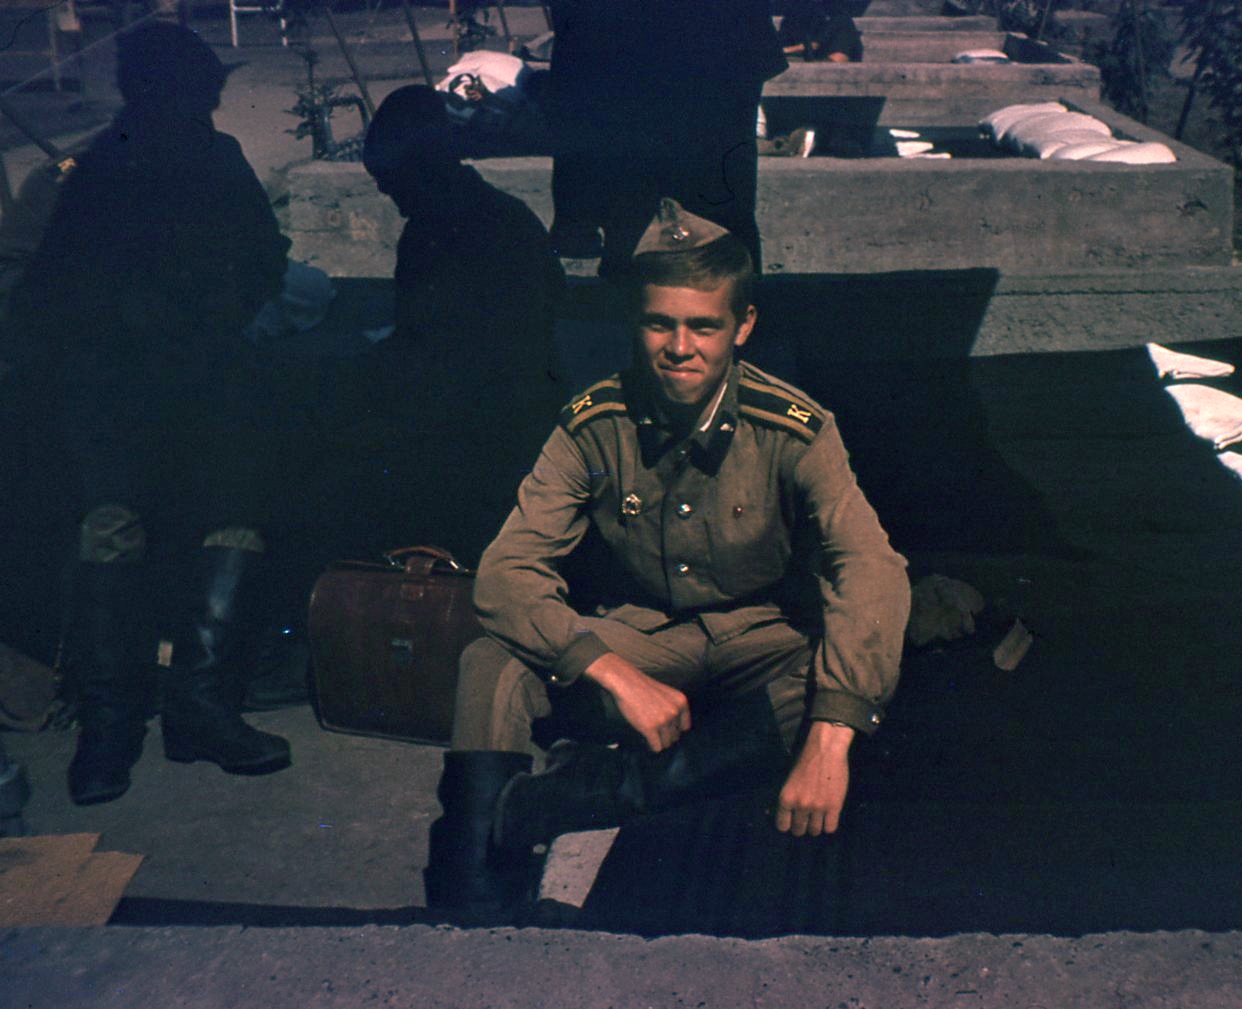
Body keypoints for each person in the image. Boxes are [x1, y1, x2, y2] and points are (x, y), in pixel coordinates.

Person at [425, 199, 911, 916]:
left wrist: (830, 742)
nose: (679, 347)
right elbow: (506, 573)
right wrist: (613, 672)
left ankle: (573, 798)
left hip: (760, 640)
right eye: (660, 323)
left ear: (743, 326)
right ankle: (470, 888)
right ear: (635, 320)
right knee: (491, 663)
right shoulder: (594, 424)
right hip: (643, 637)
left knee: (849, 680)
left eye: (703, 326)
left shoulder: (796, 429)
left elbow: (869, 567)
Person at [1, 23, 292, 806]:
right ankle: (119, 724)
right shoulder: (101, 174)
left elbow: (264, 257)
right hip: (125, 395)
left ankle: (182, 712)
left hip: (190, 390)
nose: (205, 110)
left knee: (221, 525)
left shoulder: (202, 161)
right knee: (122, 534)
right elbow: (49, 297)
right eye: (198, 96)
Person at [361, 84, 568, 552]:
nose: (383, 188)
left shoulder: (437, 235)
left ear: (421, 167)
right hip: (515, 401)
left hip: (489, 420)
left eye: (388, 177)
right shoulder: (504, 214)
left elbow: (435, 350)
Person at [543, 0, 787, 273]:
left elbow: (574, 74)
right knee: (719, 252)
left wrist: (573, 209)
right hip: (703, 113)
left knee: (640, 248)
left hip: (634, 123)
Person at [778, 0, 865, 63]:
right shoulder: (794, 18)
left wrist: (785, 50)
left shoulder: (841, 19)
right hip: (819, 55)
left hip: (836, 59)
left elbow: (814, 45)